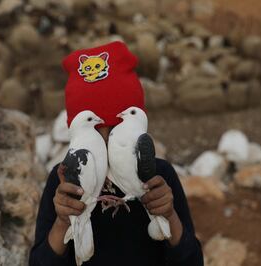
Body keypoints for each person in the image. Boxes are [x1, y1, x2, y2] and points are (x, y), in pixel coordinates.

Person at [29, 41, 204, 266]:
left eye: (115, 129)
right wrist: (63, 221)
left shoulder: (159, 176)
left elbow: (192, 261)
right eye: (94, 131)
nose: (106, 140)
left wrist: (170, 216)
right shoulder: (64, 180)